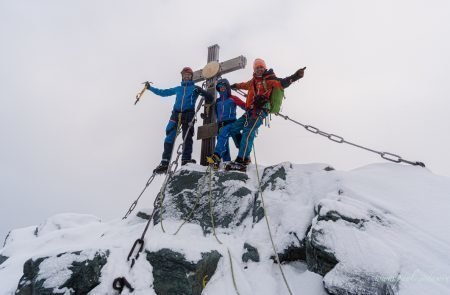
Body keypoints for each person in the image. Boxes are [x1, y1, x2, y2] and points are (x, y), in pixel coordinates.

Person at [226, 58, 305, 172]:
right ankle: (245, 154)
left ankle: (241, 161)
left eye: (261, 67)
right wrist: (234, 86)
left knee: (248, 132)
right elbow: (244, 85)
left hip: (260, 111)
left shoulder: (269, 79)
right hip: (249, 111)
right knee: (234, 129)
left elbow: (282, 83)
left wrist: (296, 76)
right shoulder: (253, 81)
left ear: (264, 68)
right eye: (257, 67)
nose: (259, 69)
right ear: (254, 69)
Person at [146, 67, 213, 174]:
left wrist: (203, 93)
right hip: (175, 114)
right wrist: (150, 88)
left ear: (191, 77)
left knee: (187, 137)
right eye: (184, 75)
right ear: (182, 76)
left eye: (188, 75)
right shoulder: (178, 88)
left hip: (189, 114)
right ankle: (165, 163)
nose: (186, 77)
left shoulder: (195, 88)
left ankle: (185, 159)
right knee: (169, 136)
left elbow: (210, 97)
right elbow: (163, 92)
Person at [206, 78, 246, 170]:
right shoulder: (218, 101)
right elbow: (216, 113)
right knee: (222, 141)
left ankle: (217, 156)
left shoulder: (232, 98)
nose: (222, 89)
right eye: (220, 88)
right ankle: (226, 162)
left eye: (223, 87)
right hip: (221, 124)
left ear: (227, 87)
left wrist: (249, 113)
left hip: (232, 122)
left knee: (235, 138)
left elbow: (244, 105)